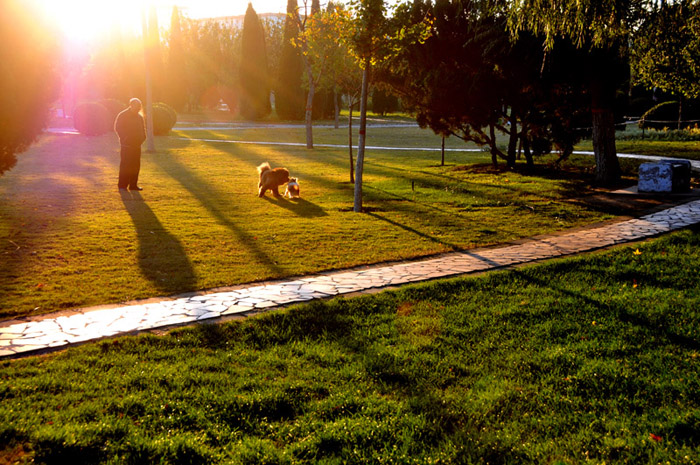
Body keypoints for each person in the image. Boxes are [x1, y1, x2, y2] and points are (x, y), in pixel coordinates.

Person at [114, 98, 146, 191]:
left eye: (140, 106)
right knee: (125, 165)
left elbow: (143, 129)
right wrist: (125, 139)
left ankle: (133, 185)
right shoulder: (123, 115)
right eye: (137, 106)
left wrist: (143, 138)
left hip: (137, 145)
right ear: (131, 105)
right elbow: (118, 128)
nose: (139, 108)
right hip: (127, 145)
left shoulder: (139, 117)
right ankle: (122, 185)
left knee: (135, 166)